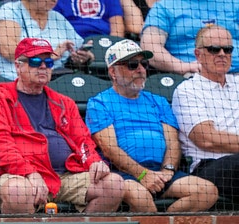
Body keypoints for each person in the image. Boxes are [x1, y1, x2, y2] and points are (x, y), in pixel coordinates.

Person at [0, 37, 124, 214]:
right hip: (21, 175)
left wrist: (94, 162)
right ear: (18, 66)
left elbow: (82, 141)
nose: (43, 66)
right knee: (16, 192)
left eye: (48, 62)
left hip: (67, 175)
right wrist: (29, 172)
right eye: (35, 61)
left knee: (113, 185)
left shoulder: (64, 102)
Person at [86, 39, 217, 212]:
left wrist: (168, 170)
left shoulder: (159, 101)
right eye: (132, 65)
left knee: (207, 191)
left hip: (161, 171)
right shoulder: (99, 103)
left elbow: (173, 142)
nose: (141, 70)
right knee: (142, 200)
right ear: (113, 72)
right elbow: (110, 149)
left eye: (143, 64)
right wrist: (142, 174)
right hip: (122, 174)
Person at [172, 25, 239, 204]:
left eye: (228, 49)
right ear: (198, 54)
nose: (222, 54)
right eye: (214, 49)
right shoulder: (188, 90)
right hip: (208, 167)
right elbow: (207, 139)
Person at [0, 0, 95, 80]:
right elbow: (7, 50)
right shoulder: (10, 10)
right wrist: (49, 55)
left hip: (55, 81)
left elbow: (80, 49)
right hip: (14, 79)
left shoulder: (57, 17)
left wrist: (84, 57)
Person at [140, 0, 239, 75]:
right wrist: (182, 66)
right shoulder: (165, 7)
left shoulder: (234, 4)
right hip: (193, 76)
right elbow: (150, 47)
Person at [53, 0, 125, 38]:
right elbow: (56, 27)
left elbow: (117, 28)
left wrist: (112, 47)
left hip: (103, 41)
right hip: (73, 42)